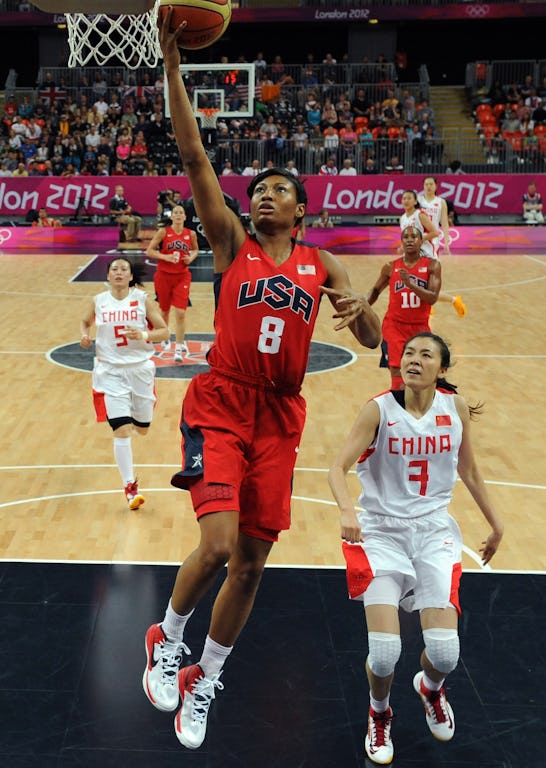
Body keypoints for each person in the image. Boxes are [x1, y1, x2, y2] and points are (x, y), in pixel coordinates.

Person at [141, 11, 382, 752]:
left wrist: (358, 314)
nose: (267, 194)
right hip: (221, 400)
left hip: (281, 417)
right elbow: (194, 155)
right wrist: (174, 67)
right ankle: (167, 636)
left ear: (303, 209)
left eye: (281, 189)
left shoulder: (323, 264)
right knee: (215, 547)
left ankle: (205, 679)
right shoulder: (230, 240)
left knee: (251, 563)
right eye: (262, 187)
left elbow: (373, 339)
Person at [328, 331, 504, 765]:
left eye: (426, 355)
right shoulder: (378, 410)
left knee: (445, 652)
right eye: (408, 352)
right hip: (380, 534)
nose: (414, 359)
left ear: (442, 370)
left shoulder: (454, 409)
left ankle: (429, 687)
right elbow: (336, 467)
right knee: (385, 654)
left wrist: (496, 524)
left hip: (433, 533)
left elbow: (471, 471)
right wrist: (348, 509)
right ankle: (379, 712)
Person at [79, 257, 169, 509]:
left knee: (142, 427)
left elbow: (164, 332)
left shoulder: (141, 300)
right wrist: (84, 335)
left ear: (131, 276)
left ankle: (140, 415)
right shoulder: (99, 301)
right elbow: (85, 321)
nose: (119, 272)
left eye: (124, 269)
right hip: (110, 371)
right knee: (121, 430)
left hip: (139, 370)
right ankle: (130, 488)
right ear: (108, 276)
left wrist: (142, 334)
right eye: (114, 269)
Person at [367, 226, 441, 390]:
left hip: (420, 328)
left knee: (423, 374)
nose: (409, 240)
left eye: (413, 237)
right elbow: (375, 290)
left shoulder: (432, 266)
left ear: (421, 241)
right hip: (394, 326)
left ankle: (420, 409)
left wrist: (410, 284)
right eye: (406, 237)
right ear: (402, 241)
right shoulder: (390, 267)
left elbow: (433, 298)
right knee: (396, 372)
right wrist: (362, 307)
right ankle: (398, 411)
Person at [398, 190, 466, 318]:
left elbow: (435, 232)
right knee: (414, 287)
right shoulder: (402, 218)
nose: (405, 201)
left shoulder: (420, 215)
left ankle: (454, 301)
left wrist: (418, 240)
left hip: (427, 255)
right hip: (412, 256)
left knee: (427, 290)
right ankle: (432, 307)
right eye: (403, 198)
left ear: (415, 201)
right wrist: (403, 246)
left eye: (408, 198)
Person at [146, 204, 199, 362]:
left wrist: (191, 257)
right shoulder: (163, 232)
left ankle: (179, 346)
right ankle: (165, 336)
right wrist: (165, 257)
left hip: (182, 276)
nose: (178, 215)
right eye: (175, 212)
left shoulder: (191, 234)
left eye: (180, 212)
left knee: (181, 313)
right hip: (163, 275)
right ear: (171, 216)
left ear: (184, 217)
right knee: (164, 311)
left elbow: (195, 250)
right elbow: (149, 250)